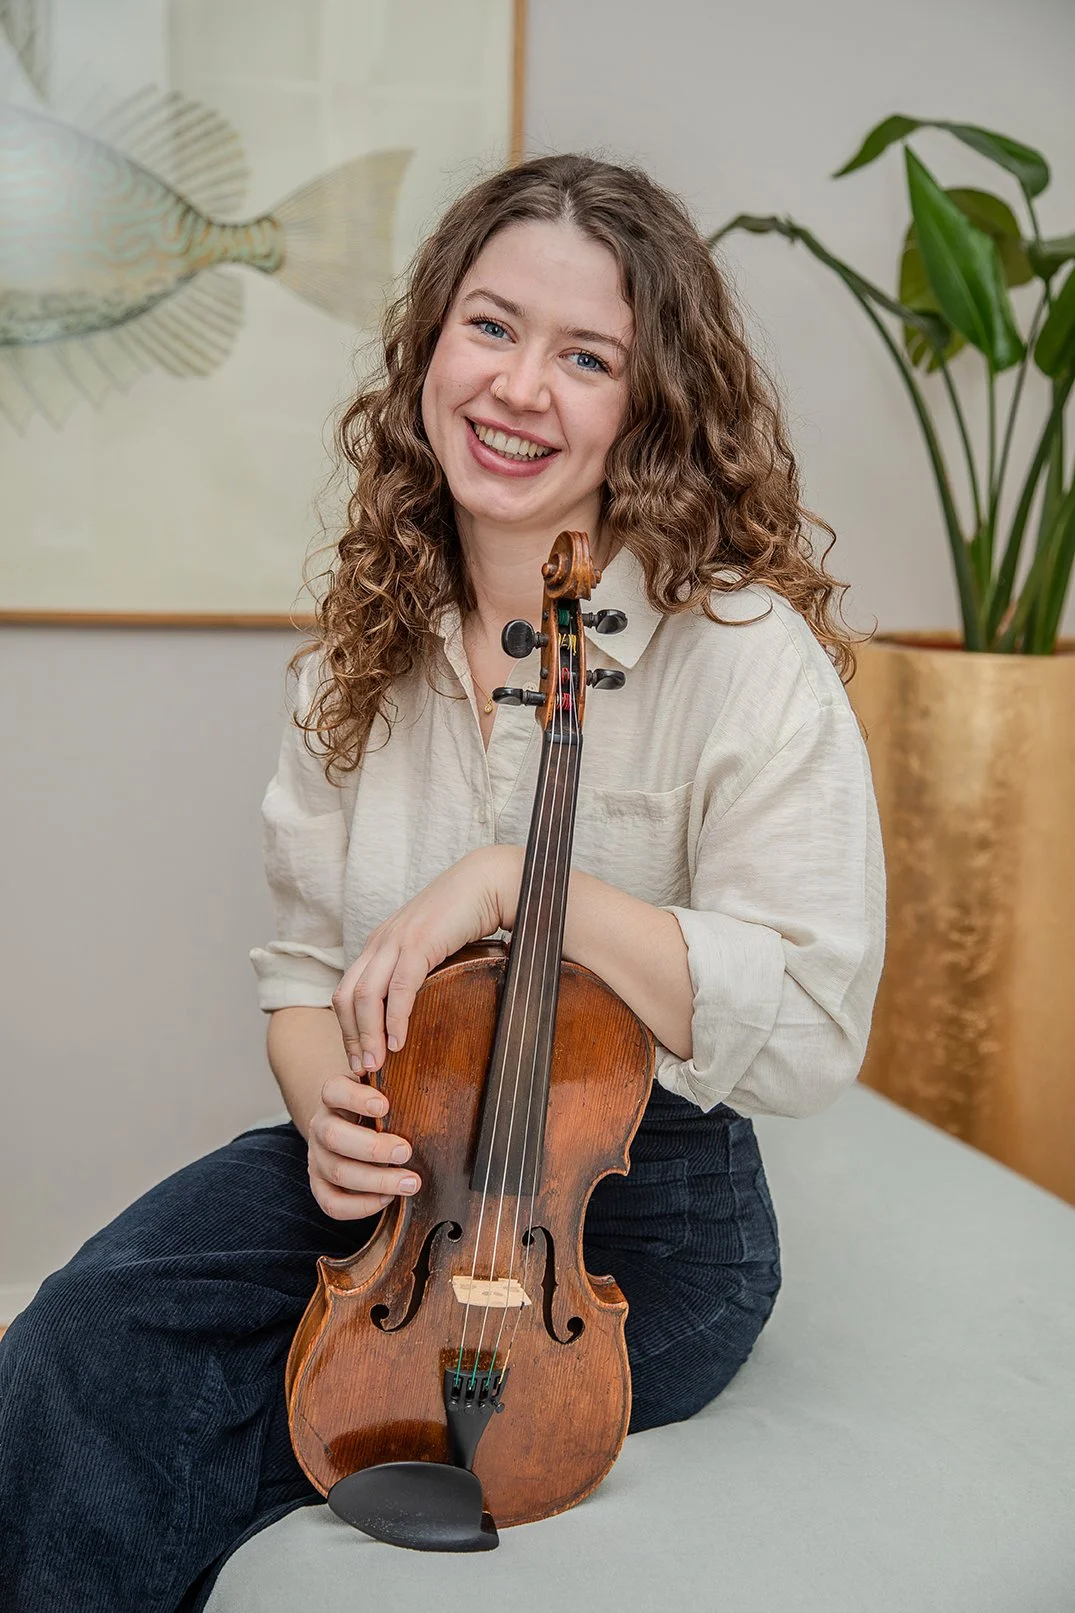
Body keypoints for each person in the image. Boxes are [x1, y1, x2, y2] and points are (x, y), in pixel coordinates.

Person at [0, 153, 886, 1611]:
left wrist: (509, 887)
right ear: (427, 349)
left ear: (648, 402)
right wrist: (320, 1111)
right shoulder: (363, 649)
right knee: (71, 1339)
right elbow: (299, 980)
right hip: (399, 1173)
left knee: (217, 1435)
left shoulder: (736, 651)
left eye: (585, 356)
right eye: (490, 328)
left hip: (630, 1217)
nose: (519, 388)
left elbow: (803, 1028)